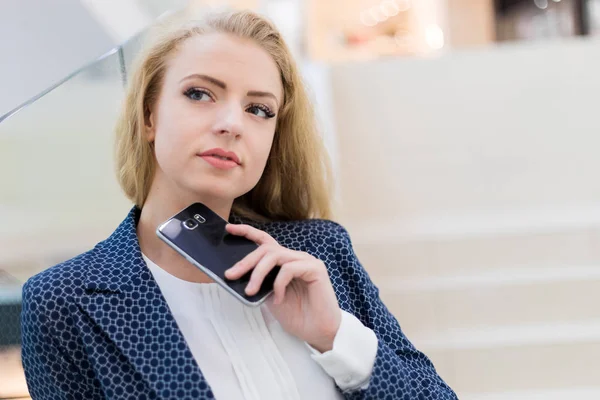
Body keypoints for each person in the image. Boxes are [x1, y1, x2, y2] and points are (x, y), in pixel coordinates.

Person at [20, 10, 457, 400]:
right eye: (199, 94)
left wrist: (335, 336)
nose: (231, 124)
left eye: (259, 109)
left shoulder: (322, 254)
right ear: (148, 116)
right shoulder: (62, 303)